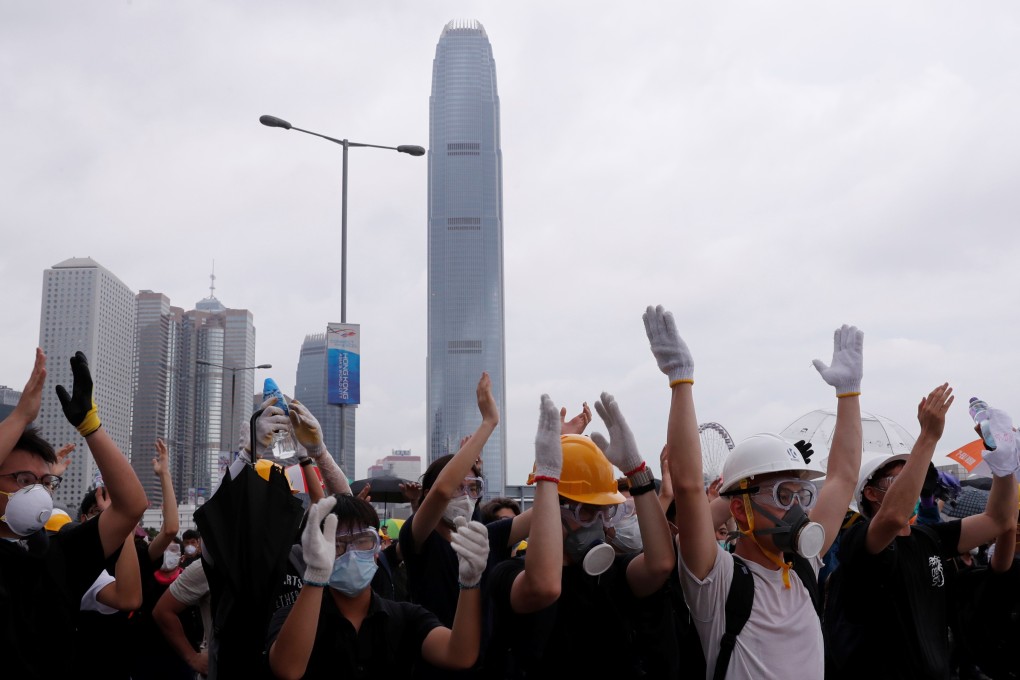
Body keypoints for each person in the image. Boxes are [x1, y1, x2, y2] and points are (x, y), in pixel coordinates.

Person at [644, 305, 864, 679]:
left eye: (802, 494)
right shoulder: (719, 580)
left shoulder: (803, 569)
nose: (798, 508)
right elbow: (688, 487)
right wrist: (681, 382)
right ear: (741, 510)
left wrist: (849, 394)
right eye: (782, 495)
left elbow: (842, 477)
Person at [824, 386, 1018, 680]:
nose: (913, 486)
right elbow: (892, 517)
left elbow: (999, 519)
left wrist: (1003, 467)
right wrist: (928, 436)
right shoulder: (859, 541)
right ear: (871, 492)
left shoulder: (930, 538)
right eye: (899, 478)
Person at [485, 391, 675, 677]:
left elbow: (660, 564)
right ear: (554, 509)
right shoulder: (508, 574)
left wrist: (637, 472)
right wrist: (547, 479)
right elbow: (545, 587)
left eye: (604, 510)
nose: (598, 522)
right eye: (587, 510)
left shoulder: (611, 575)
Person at [0, 349, 148, 680]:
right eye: (23, 479)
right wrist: (21, 417)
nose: (37, 491)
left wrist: (89, 425)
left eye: (44, 481)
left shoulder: (57, 553)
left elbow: (131, 506)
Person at [266, 493, 488, 678]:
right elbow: (287, 669)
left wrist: (470, 583)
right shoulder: (293, 617)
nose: (352, 554)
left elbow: (459, 655)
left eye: (363, 540)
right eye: (338, 544)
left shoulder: (405, 617)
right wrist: (314, 576)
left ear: (378, 546)